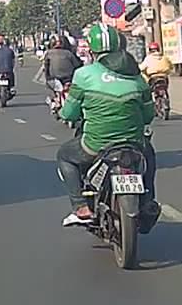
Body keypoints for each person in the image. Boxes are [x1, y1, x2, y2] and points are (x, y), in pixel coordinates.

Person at [57, 22, 160, 228]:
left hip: (96, 145)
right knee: (149, 154)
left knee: (64, 157)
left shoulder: (83, 74)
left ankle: (80, 206)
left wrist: (64, 113)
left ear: (91, 50)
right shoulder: (136, 75)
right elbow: (149, 115)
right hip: (134, 143)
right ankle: (148, 200)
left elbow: (69, 113)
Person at [41, 36, 81, 107]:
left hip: (55, 79)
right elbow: (77, 65)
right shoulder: (69, 53)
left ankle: (55, 102)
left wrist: (47, 78)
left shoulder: (49, 53)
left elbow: (46, 67)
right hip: (68, 79)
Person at [139, 41, 173, 113]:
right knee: (165, 89)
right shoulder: (164, 57)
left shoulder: (148, 58)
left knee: (149, 91)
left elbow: (141, 68)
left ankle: (152, 105)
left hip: (153, 77)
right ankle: (166, 100)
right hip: (164, 77)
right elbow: (171, 66)